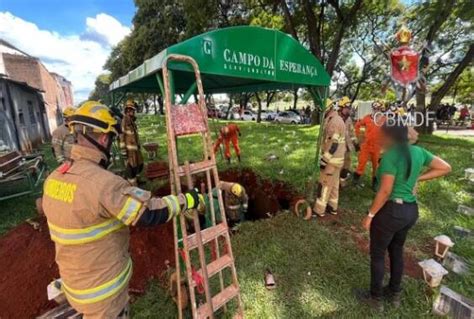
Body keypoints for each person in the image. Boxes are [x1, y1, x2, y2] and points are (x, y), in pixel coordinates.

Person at [42, 101, 202, 318]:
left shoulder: (54, 178)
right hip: (105, 298)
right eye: (110, 139)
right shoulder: (104, 184)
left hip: (76, 288)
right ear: (103, 138)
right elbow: (148, 213)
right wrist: (186, 200)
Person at [357, 120, 451, 311]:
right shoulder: (418, 152)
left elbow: (384, 192)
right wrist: (418, 177)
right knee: (397, 249)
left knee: (377, 254)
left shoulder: (391, 156)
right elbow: (445, 167)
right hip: (410, 211)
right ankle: (395, 292)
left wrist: (370, 215)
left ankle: (375, 299)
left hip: (391, 211)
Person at [313, 100, 346, 217]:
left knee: (324, 185)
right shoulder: (335, 119)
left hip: (331, 161)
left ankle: (319, 210)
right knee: (334, 185)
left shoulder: (334, 122)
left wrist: (324, 160)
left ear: (328, 108)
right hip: (338, 160)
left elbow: (333, 144)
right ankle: (332, 207)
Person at [354, 101, 385, 189]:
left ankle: (375, 183)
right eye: (375, 109)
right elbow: (357, 126)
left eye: (378, 109)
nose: (376, 111)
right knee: (361, 163)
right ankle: (356, 180)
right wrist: (359, 137)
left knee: (376, 165)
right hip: (366, 145)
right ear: (372, 109)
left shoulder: (384, 119)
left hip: (377, 146)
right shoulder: (367, 118)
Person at [120, 99, 144, 185]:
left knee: (139, 165)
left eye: (133, 110)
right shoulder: (125, 120)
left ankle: (137, 181)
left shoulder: (132, 121)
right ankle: (132, 186)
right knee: (131, 169)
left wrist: (138, 145)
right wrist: (123, 151)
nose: (133, 112)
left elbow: (134, 135)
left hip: (135, 149)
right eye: (131, 110)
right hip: (129, 150)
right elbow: (122, 136)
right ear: (127, 110)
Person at [337, 97, 358, 183]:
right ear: (341, 108)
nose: (348, 110)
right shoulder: (336, 118)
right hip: (338, 147)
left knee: (347, 163)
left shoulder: (348, 119)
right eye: (347, 108)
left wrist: (355, 143)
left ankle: (342, 180)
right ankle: (336, 182)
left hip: (347, 146)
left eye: (349, 108)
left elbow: (352, 132)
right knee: (338, 165)